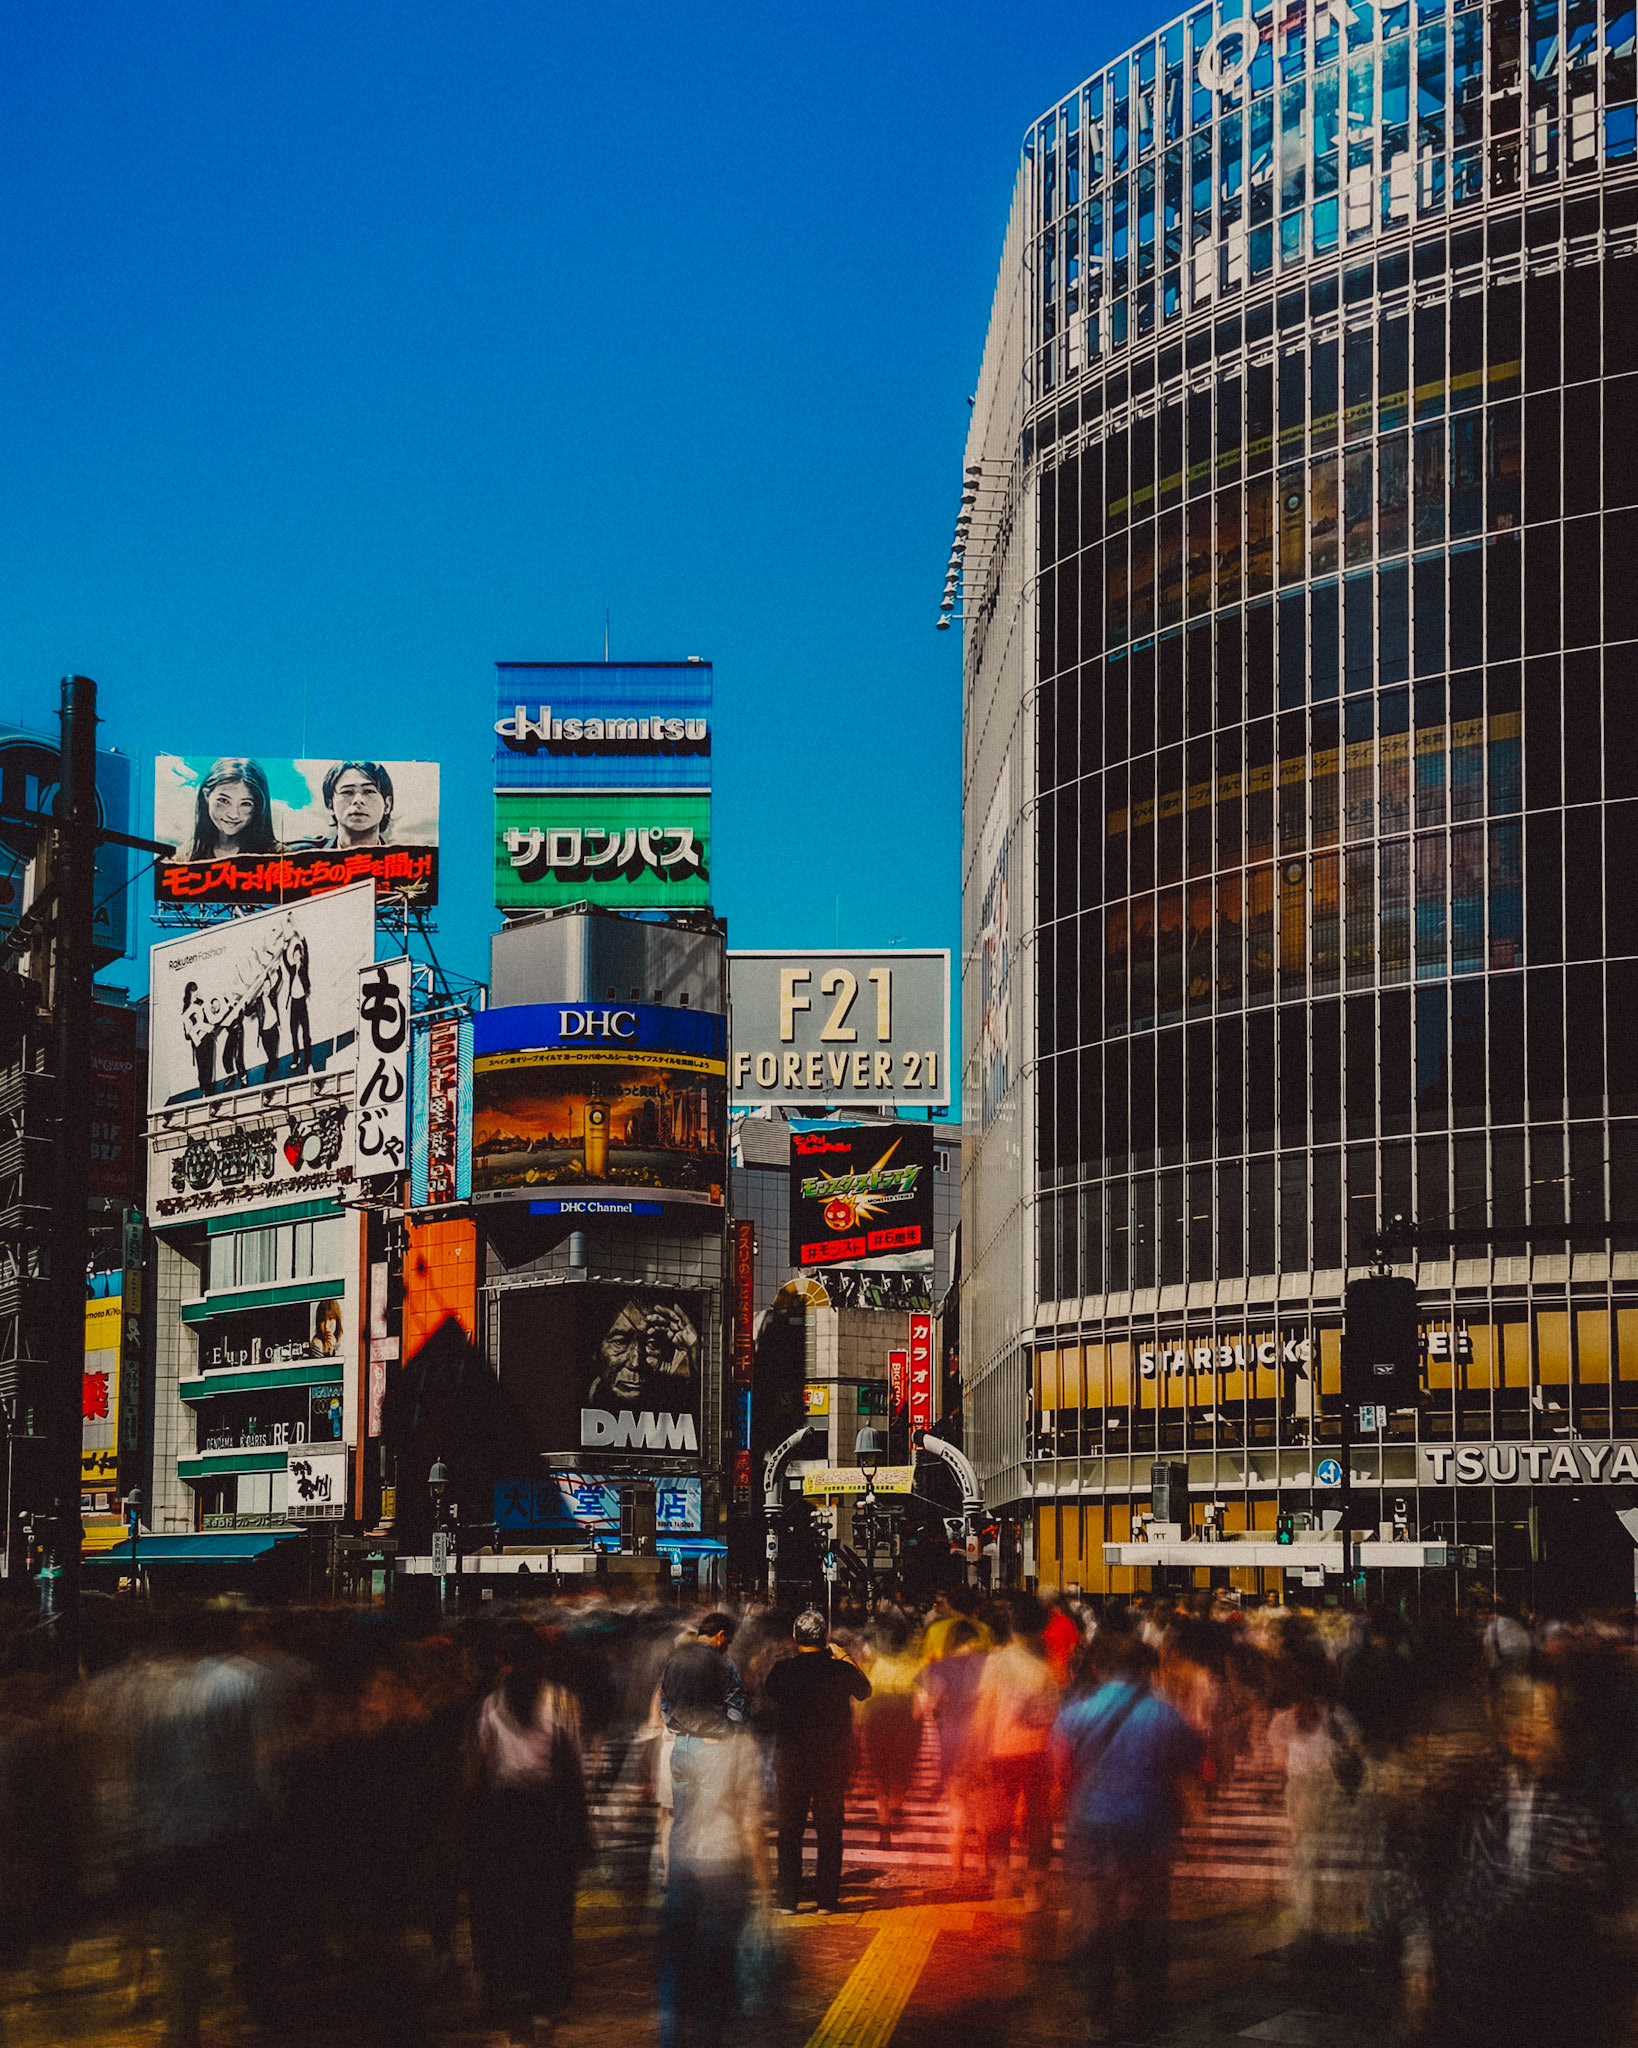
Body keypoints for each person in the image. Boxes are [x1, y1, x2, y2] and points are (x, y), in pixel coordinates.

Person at [1055, 1615, 1203, 2040]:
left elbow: (1061, 1774)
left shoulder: (1075, 1714)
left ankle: (1098, 2013)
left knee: (1092, 1921)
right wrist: (1200, 1826)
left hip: (1088, 1829)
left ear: (1103, 1670)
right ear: (1144, 1670)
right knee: (1145, 1921)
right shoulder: (1164, 1715)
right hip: (1146, 1830)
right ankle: (1146, 2007)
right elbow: (1188, 1773)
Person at [466, 1622, 589, 2046]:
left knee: (509, 1909)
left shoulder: (491, 1706)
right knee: (550, 1911)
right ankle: (544, 2002)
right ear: (542, 1661)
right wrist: (580, 1825)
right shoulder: (561, 1703)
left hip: (503, 1820)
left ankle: (512, 1995)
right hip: (547, 1818)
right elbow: (574, 1767)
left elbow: (479, 1773)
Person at [656, 1670, 768, 2048]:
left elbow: (670, 1810)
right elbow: (751, 1821)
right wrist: (765, 1886)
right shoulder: (741, 1745)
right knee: (716, 1964)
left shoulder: (677, 1744)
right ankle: (707, 2035)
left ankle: (671, 2037)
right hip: (726, 1863)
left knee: (676, 1961)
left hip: (685, 1861)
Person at [764, 1609, 871, 1914]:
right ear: (825, 1639)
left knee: (789, 1832)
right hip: (831, 1762)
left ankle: (787, 1899)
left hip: (791, 1761)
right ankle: (826, 1899)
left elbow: (769, 1694)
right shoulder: (839, 1670)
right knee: (829, 1832)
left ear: (795, 1638)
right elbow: (865, 1691)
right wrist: (846, 1657)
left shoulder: (783, 1670)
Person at [975, 1594, 1061, 1902]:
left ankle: (1002, 1878)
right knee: (1039, 1819)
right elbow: (1059, 1710)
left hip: (1003, 1750)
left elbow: (985, 1708)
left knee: (1001, 1816)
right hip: (1040, 1750)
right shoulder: (1051, 1661)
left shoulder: (997, 1660)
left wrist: (978, 1750)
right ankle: (1035, 1887)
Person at [187, 759, 278, 861]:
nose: (233, 815)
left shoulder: (280, 856)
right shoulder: (186, 854)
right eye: (224, 800)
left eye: (246, 804)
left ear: (258, 807)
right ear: (206, 795)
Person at [315, 761, 394, 849]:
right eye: (347, 792)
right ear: (330, 805)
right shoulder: (304, 856)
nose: (358, 800)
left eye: (368, 791)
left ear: (387, 805)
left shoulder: (404, 859)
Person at [284, 932, 312, 1074]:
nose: (295, 957)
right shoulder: (292, 969)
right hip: (293, 1004)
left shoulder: (303, 967)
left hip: (302, 1003)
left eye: (297, 955)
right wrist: (285, 946)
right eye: (293, 955)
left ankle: (308, 1061)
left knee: (306, 1034)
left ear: (300, 955)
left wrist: (302, 939)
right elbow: (285, 960)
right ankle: (296, 1058)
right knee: (293, 1032)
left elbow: (306, 952)